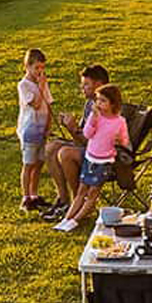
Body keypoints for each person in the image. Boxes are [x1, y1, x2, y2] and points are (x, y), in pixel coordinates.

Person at [38, 64, 110, 221]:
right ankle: (64, 201)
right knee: (51, 148)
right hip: (88, 149)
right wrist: (73, 128)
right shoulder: (90, 103)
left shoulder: (106, 107)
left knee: (65, 153)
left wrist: (73, 128)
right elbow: (83, 140)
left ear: (98, 85)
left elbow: (91, 143)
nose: (81, 88)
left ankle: (79, 203)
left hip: (102, 156)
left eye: (86, 84)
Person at [53, 83, 129, 232]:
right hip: (90, 159)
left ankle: (75, 220)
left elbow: (125, 141)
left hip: (104, 162)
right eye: (98, 100)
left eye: (103, 101)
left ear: (112, 104)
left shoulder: (119, 122)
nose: (98, 104)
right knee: (81, 191)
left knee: (93, 193)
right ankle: (66, 219)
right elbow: (87, 134)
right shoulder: (96, 117)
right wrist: (93, 119)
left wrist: (120, 140)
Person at [14, 49, 55, 213]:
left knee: (39, 164)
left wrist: (49, 126)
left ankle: (34, 194)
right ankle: (26, 198)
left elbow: (48, 104)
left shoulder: (42, 84)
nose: (40, 72)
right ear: (27, 66)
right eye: (36, 68)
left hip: (42, 127)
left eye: (42, 68)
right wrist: (41, 86)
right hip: (30, 130)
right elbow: (36, 104)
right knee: (29, 164)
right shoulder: (24, 85)